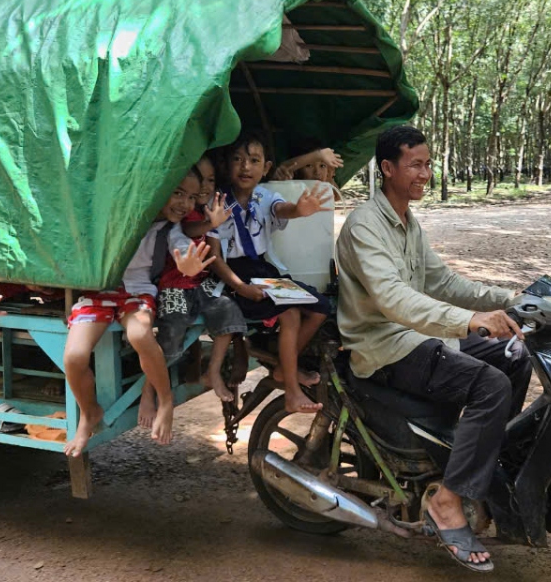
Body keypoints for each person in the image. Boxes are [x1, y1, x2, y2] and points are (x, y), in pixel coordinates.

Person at [335, 125, 531, 572]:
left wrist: (506, 298)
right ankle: (447, 501)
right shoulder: (366, 224)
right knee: (491, 385)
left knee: (515, 355)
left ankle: (486, 459)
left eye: (428, 163)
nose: (426, 173)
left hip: (421, 336)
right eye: (416, 165)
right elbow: (393, 299)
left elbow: (441, 281)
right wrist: (469, 320)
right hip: (384, 345)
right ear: (387, 169)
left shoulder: (408, 221)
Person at [61, 169, 215, 457]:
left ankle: (165, 401)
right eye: (178, 192)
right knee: (73, 356)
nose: (184, 203)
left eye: (192, 197)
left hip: (138, 292)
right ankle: (88, 413)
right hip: (99, 292)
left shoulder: (170, 230)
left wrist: (187, 266)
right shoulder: (117, 216)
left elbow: (181, 247)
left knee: (140, 333)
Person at [206, 131, 333, 414]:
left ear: (265, 168)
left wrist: (299, 210)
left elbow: (282, 209)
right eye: (238, 160)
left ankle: (281, 369)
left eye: (254, 160)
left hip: (262, 270)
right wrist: (240, 287)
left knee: (321, 307)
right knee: (289, 314)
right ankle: (292, 388)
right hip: (231, 275)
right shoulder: (217, 203)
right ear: (227, 165)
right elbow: (214, 258)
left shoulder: (265, 196)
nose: (245, 167)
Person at [146, 157, 246, 416]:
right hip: (174, 282)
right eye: (182, 191)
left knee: (228, 310)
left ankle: (213, 371)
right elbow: (184, 232)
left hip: (200, 281)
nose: (202, 188)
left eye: (209, 181)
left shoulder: (209, 210)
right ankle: (150, 387)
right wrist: (209, 225)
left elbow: (206, 247)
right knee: (174, 325)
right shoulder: (181, 217)